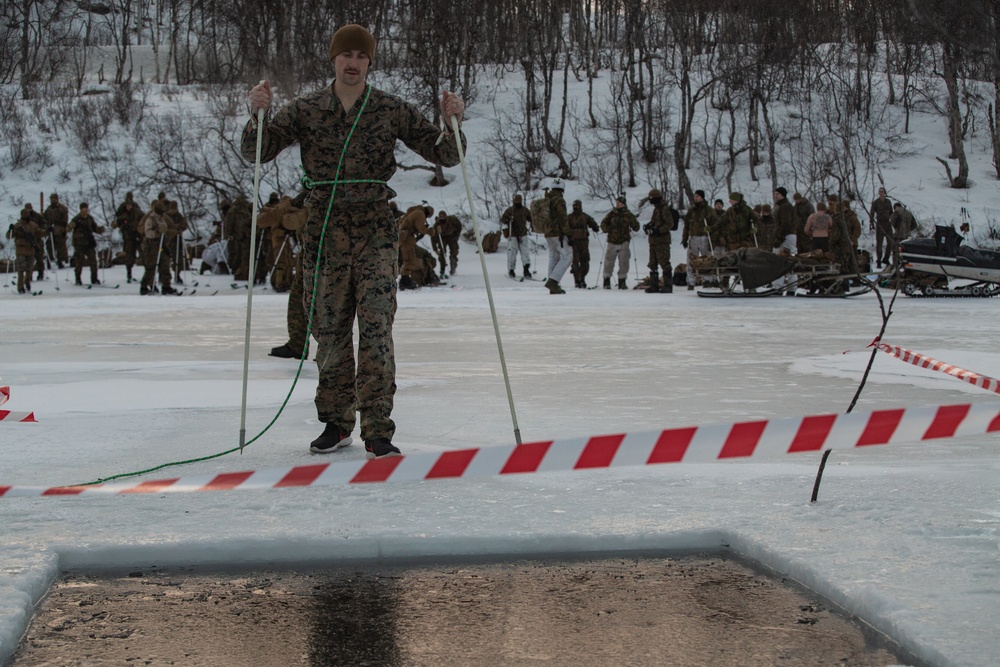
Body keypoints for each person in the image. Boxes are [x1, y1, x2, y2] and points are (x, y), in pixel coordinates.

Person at [242, 23, 466, 458]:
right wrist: (257, 114)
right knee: (330, 329)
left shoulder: (387, 108)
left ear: (369, 62)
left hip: (374, 229)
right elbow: (257, 151)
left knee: (377, 327)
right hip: (325, 228)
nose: (353, 62)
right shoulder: (306, 109)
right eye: (346, 55)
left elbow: (443, 153)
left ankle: (378, 426)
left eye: (361, 56)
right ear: (333, 59)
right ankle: (336, 422)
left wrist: (452, 123)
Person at [138, 200, 178, 295]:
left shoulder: (162, 218)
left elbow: (167, 228)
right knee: (151, 267)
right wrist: (157, 232)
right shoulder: (150, 219)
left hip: (161, 244)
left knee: (165, 265)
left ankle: (166, 286)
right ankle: (144, 286)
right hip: (152, 246)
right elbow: (148, 233)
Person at [600, 195, 639, 289]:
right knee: (609, 262)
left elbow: (636, 226)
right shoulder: (612, 214)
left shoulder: (628, 215)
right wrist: (607, 229)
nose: (617, 204)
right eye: (617, 202)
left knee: (624, 262)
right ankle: (606, 280)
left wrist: (633, 224)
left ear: (623, 204)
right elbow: (603, 223)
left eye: (619, 203)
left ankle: (622, 281)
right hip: (612, 241)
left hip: (624, 241)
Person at [643, 188, 676, 293]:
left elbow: (669, 224)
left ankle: (668, 285)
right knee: (652, 263)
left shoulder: (664, 209)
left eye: (651, 198)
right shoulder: (656, 209)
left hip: (662, 241)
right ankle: (654, 285)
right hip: (653, 241)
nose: (650, 200)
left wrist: (658, 230)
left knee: (664, 262)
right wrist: (649, 226)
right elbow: (655, 222)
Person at [681, 189, 716, 290]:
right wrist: (684, 238)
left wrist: (712, 239)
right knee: (691, 259)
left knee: (707, 259)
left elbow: (715, 225)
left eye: (697, 196)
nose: (695, 198)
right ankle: (691, 281)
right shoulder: (691, 211)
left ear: (702, 197)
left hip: (705, 237)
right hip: (693, 237)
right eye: (694, 196)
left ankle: (707, 280)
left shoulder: (709, 210)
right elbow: (686, 225)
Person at [398, 203, 437, 289]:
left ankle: (405, 279)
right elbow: (421, 229)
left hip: (405, 237)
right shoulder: (420, 214)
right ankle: (404, 280)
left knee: (409, 259)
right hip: (407, 238)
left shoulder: (414, 211)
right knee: (410, 260)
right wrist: (431, 231)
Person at [543, 179, 571, 294]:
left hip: (548, 233)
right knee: (568, 255)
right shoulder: (559, 200)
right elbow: (563, 218)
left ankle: (553, 285)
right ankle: (553, 281)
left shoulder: (547, 199)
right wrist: (568, 233)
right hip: (557, 233)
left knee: (554, 256)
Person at [6, 209, 42, 293]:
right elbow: (9, 236)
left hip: (30, 250)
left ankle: (27, 282)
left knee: (29, 269)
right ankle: (20, 286)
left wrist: (47, 231)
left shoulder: (33, 225)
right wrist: (10, 230)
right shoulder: (18, 226)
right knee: (21, 269)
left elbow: (40, 232)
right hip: (21, 250)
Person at [69, 203, 105, 286]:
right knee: (79, 262)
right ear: (81, 209)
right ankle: (78, 279)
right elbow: (68, 229)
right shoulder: (76, 219)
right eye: (84, 208)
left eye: (86, 208)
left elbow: (94, 228)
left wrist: (100, 230)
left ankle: (94, 279)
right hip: (79, 244)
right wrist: (71, 226)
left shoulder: (90, 219)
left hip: (89, 243)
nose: (85, 210)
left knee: (93, 262)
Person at [113, 192, 144, 283]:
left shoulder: (136, 210)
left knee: (142, 254)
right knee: (129, 256)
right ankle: (129, 274)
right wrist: (123, 226)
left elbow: (143, 219)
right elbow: (118, 221)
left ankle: (146, 274)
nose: (129, 207)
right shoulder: (122, 211)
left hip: (137, 235)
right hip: (128, 236)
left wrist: (135, 226)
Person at [500, 194, 533, 280]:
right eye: (516, 201)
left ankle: (526, 269)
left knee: (525, 252)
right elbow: (503, 219)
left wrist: (534, 224)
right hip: (513, 234)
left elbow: (531, 218)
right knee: (512, 252)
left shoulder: (525, 210)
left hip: (523, 234)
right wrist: (508, 220)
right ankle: (511, 270)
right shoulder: (510, 210)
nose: (518, 203)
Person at [567, 199, 598, 288]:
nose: (575, 208)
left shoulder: (585, 217)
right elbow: (564, 227)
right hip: (574, 242)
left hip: (583, 242)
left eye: (577, 206)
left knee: (584, 261)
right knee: (576, 261)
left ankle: (582, 278)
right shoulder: (570, 217)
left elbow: (593, 224)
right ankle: (577, 280)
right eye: (574, 206)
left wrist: (595, 227)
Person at [43, 194, 70, 269]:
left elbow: (65, 220)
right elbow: (45, 219)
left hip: (59, 230)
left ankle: (61, 261)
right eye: (52, 199)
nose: (53, 200)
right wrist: (47, 227)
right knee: (49, 245)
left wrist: (62, 229)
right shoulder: (48, 209)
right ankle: (49, 261)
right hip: (50, 230)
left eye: (55, 199)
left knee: (60, 246)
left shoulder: (62, 208)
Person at [432, 210, 462, 277]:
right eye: (441, 218)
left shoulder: (452, 219)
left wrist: (456, 236)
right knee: (442, 254)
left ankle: (453, 270)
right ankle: (442, 271)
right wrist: (435, 249)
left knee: (454, 252)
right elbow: (433, 237)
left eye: (444, 218)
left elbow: (459, 226)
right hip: (442, 238)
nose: (443, 219)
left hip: (452, 237)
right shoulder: (437, 225)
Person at [869, 187, 893, 268]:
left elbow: (891, 212)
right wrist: (872, 223)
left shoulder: (888, 202)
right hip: (880, 223)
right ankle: (879, 260)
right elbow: (872, 213)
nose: (881, 193)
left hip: (888, 224)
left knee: (890, 242)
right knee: (879, 243)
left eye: (882, 192)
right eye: (880, 192)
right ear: (878, 193)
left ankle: (886, 258)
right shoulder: (876, 202)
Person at [889, 202, 916, 266]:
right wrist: (908, 230)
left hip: (898, 236)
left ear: (895, 207)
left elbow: (893, 224)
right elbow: (914, 224)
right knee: (906, 252)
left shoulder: (895, 213)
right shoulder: (909, 213)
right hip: (907, 237)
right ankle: (906, 265)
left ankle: (896, 266)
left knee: (896, 252)